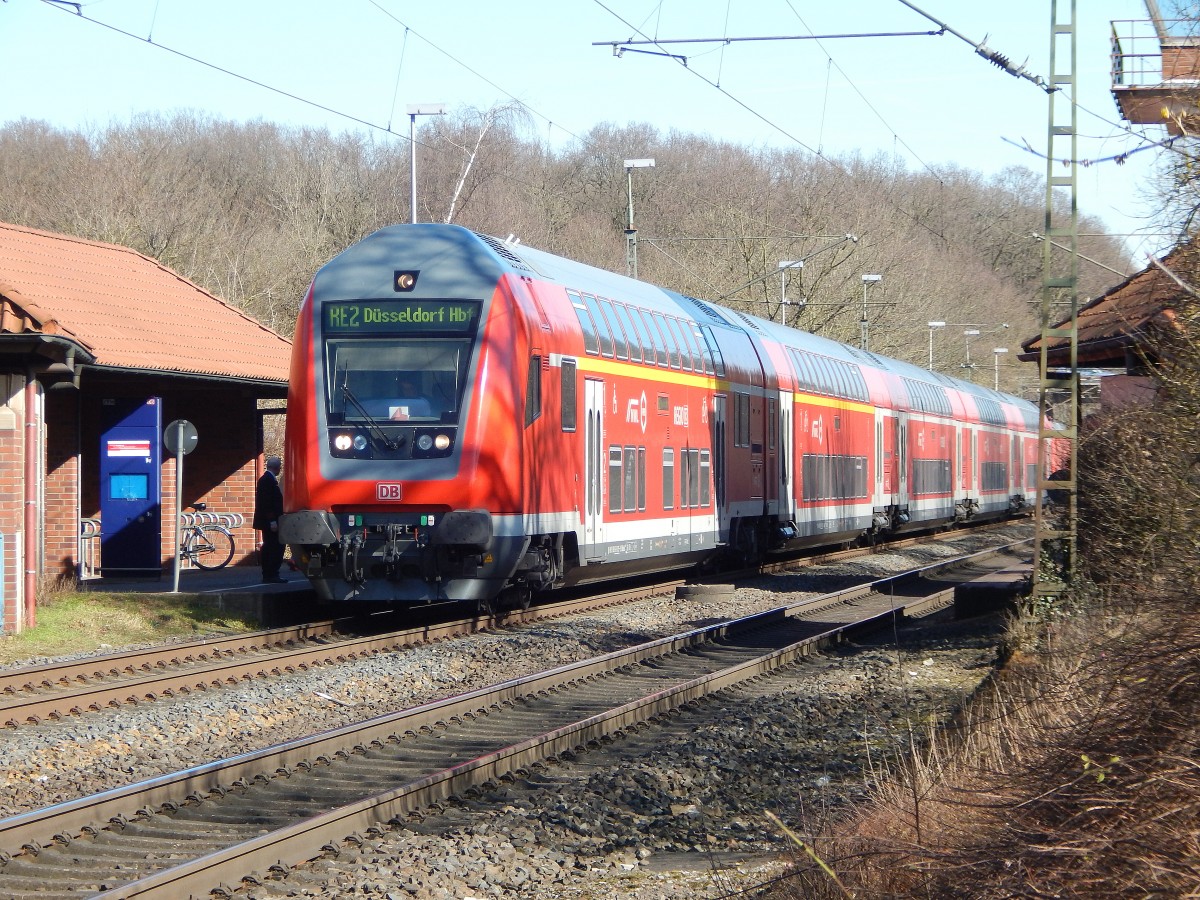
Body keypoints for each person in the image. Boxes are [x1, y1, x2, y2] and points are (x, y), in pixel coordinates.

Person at [253, 455, 286, 583]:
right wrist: (272, 521)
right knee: (275, 547)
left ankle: (270, 573)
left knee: (271, 547)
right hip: (270, 521)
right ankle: (271, 574)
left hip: (268, 520)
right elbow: (267, 503)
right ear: (277, 468)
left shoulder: (266, 479)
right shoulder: (268, 481)